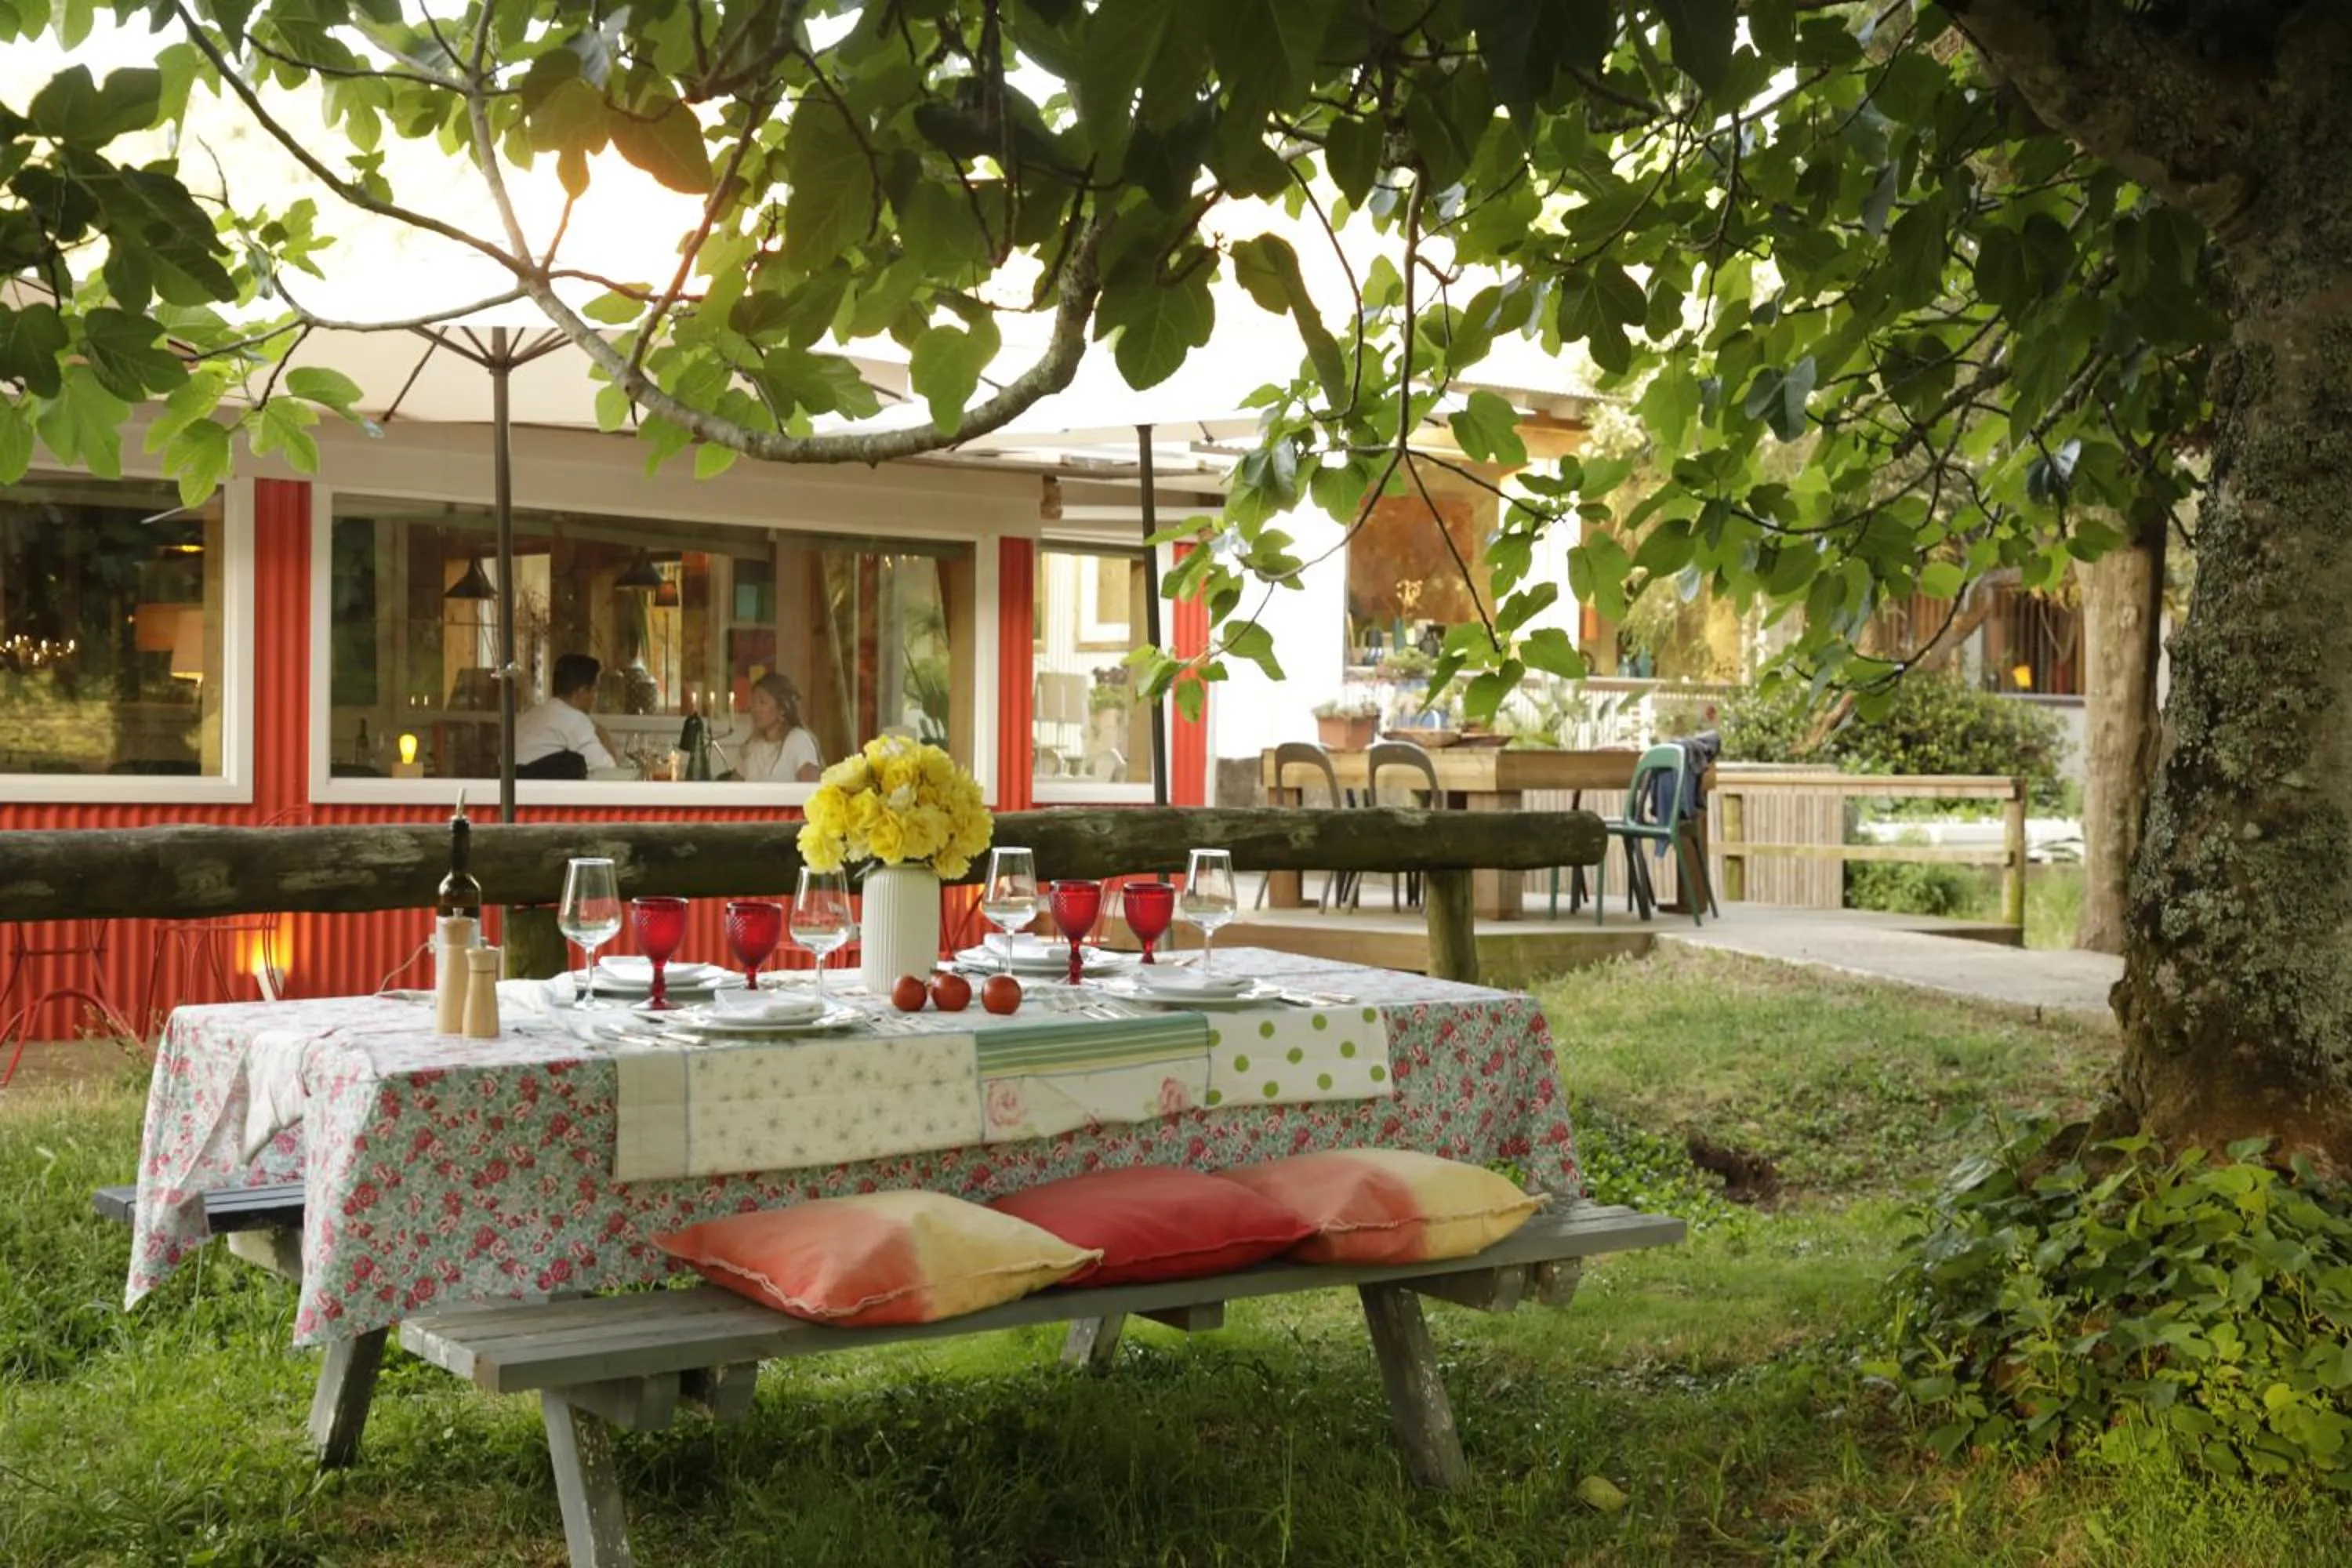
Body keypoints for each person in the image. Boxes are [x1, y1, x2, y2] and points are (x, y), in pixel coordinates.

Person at [515, 653, 619, 778]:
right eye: (595, 690)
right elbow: (609, 773)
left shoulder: (526, 718)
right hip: (548, 796)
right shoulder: (576, 721)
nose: (596, 698)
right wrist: (604, 738)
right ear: (581, 692)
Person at [731, 672, 822, 783]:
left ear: (782, 709)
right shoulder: (751, 746)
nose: (755, 709)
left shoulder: (799, 741)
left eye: (763, 702)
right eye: (753, 702)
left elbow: (810, 791)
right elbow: (732, 788)